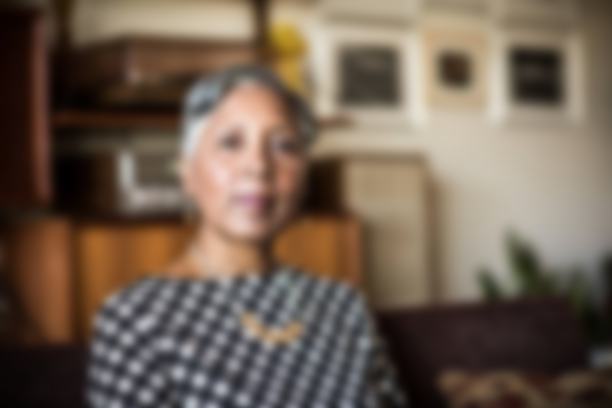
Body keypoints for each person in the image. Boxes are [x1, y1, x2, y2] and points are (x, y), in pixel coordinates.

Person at [86, 65, 410, 408]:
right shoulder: (136, 318)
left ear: (304, 179)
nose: (258, 165)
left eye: (283, 145)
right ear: (187, 174)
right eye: (231, 142)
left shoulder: (344, 305)